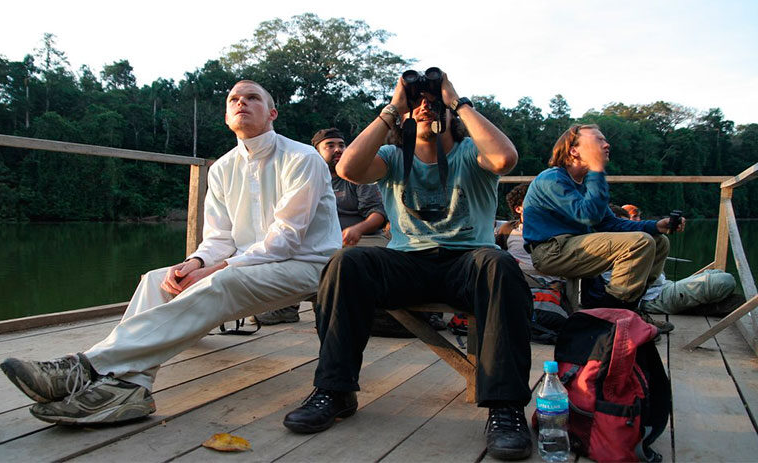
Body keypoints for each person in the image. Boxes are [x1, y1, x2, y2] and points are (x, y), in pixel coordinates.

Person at [0, 80, 342, 425]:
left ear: (272, 113)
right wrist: (194, 262)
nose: (242, 103)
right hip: (248, 266)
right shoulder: (222, 168)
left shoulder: (302, 158)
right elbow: (219, 238)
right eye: (234, 99)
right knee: (157, 280)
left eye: (253, 98)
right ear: (226, 117)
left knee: (225, 281)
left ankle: (85, 367)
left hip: (310, 266)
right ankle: (131, 389)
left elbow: (284, 239)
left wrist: (217, 268)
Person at [283, 71, 535, 461]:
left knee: (500, 264)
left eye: (433, 104)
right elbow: (347, 168)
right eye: (418, 104)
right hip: (407, 263)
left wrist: (457, 101)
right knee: (346, 262)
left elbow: (505, 157)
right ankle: (335, 390)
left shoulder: (471, 154)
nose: (425, 108)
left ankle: (505, 407)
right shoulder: (391, 157)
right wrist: (395, 106)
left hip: (468, 264)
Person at [521, 124, 685, 333]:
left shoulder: (584, 181)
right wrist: (598, 170)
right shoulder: (552, 178)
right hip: (551, 251)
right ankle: (610, 320)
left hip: (576, 247)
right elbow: (587, 214)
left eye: (605, 140)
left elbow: (610, 223)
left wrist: (656, 225)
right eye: (597, 140)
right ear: (574, 150)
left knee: (660, 242)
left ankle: (629, 312)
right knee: (640, 243)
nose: (606, 144)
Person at [256, 128, 388, 325]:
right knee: (287, 250)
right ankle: (286, 307)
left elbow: (377, 214)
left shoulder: (356, 175)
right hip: (323, 242)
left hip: (362, 240)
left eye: (342, 145)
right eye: (330, 145)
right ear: (316, 152)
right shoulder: (306, 175)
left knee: (342, 260)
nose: (338, 150)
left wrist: (358, 229)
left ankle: (348, 314)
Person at [615, 204, 737, 316]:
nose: (637, 222)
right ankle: (698, 307)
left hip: (664, 286)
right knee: (724, 281)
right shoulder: (615, 249)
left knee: (717, 273)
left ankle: (697, 304)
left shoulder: (637, 239)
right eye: (633, 218)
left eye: (638, 218)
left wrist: (656, 229)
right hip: (653, 298)